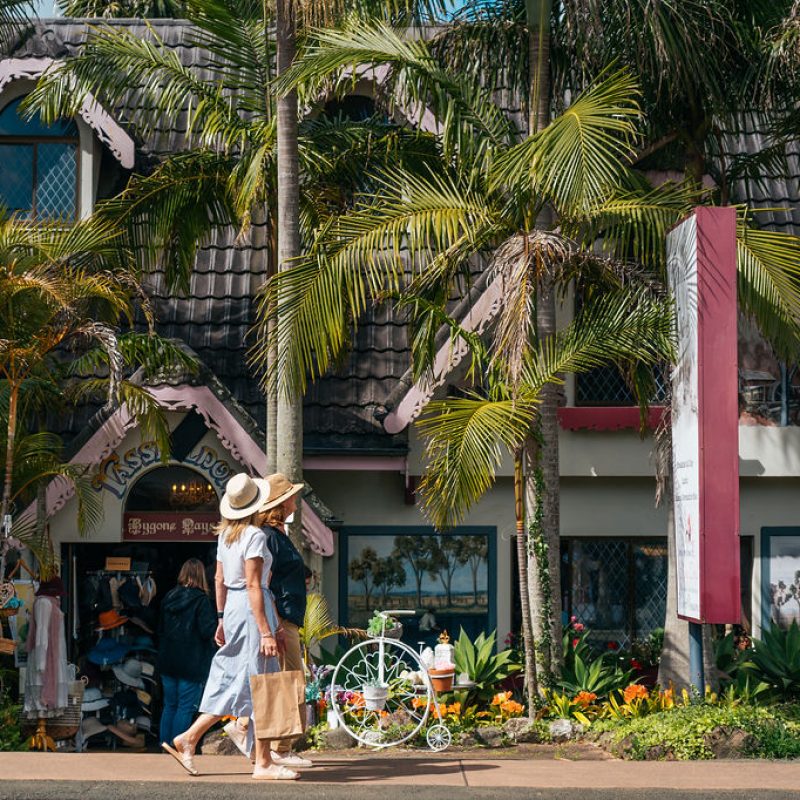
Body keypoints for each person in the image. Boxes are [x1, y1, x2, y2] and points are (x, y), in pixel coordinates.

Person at [162, 473, 298, 781]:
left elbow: (219, 580)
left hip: (236, 610)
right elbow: (255, 585)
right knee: (262, 686)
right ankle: (262, 762)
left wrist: (222, 618)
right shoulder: (255, 537)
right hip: (253, 610)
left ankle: (193, 737)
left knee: (237, 681)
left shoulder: (225, 536)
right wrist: (267, 630)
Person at [260, 472, 312, 769]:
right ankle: (280, 746)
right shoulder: (270, 538)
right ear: (280, 503)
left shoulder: (278, 535)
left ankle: (247, 728)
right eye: (290, 496)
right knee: (290, 684)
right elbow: (264, 584)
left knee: (288, 682)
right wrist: (276, 623)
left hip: (288, 618)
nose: (295, 500)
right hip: (283, 620)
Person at [157, 558, 217, 748]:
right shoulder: (202, 601)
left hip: (168, 659)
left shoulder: (169, 597)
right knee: (185, 707)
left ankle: (164, 744)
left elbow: (160, 628)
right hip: (192, 660)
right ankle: (179, 746)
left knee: (169, 705)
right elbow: (208, 631)